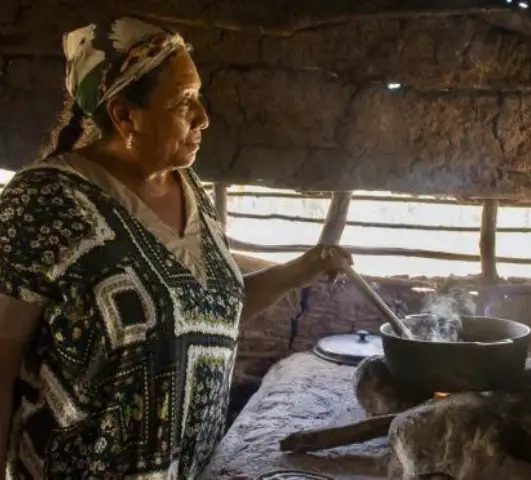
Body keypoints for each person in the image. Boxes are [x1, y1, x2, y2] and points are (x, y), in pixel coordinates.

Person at [0, 18, 353, 479]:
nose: (204, 116)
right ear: (126, 114)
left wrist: (301, 269)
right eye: (184, 101)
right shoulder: (43, 202)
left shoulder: (192, 191)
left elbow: (203, 314)